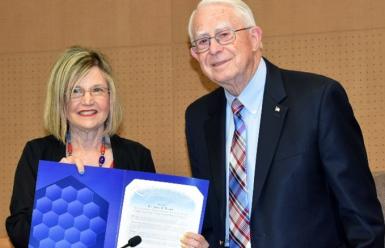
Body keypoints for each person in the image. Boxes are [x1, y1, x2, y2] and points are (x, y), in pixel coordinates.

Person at [181, 0, 384, 247]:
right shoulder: (199, 117)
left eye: (224, 35)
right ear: (194, 55)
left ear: (255, 38)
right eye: (202, 41)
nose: (213, 48)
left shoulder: (318, 100)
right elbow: (215, 222)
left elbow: (362, 220)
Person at [5, 46, 156, 247]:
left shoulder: (138, 156)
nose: (87, 100)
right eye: (76, 91)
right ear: (61, 101)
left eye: (97, 90)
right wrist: (57, 193)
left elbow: (150, 231)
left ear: (110, 98)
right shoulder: (37, 153)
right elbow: (18, 232)